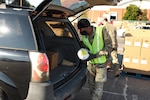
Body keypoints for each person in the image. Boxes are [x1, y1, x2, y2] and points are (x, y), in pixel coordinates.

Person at [77, 18, 118, 100]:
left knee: (98, 87)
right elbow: (85, 47)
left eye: (82, 29)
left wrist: (97, 54)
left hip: (101, 65)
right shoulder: (84, 36)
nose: (81, 31)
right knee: (91, 86)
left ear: (88, 27)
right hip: (91, 64)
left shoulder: (101, 31)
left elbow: (109, 46)